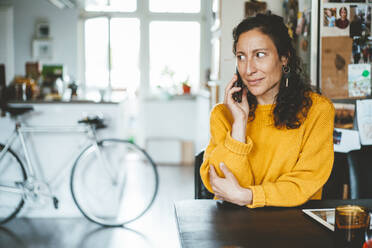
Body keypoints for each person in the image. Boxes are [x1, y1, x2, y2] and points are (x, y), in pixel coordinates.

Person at [200, 13, 335, 208]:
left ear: (284, 58)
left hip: (294, 225)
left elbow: (305, 182)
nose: (248, 69)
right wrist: (239, 125)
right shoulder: (224, 114)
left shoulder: (317, 110)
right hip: (232, 225)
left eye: (260, 55)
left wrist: (249, 196)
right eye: (241, 57)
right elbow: (219, 182)